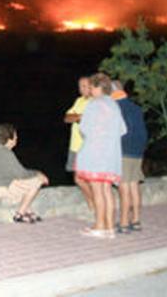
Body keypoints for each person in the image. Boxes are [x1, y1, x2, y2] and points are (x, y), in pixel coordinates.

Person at [76, 73, 126, 239]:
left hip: (96, 154)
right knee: (107, 190)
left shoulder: (93, 104)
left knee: (97, 190)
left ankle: (99, 226)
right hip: (111, 155)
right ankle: (110, 227)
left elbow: (84, 129)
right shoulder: (114, 105)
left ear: (98, 87)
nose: (89, 90)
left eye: (91, 87)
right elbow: (122, 130)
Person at [0, 123, 49, 223]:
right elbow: (22, 174)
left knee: (21, 184)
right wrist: (38, 173)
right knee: (36, 182)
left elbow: (12, 174)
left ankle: (27, 211)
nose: (17, 138)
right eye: (15, 136)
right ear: (9, 138)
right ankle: (19, 214)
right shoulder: (5, 153)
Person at [111, 80, 148, 234]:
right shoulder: (135, 107)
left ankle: (124, 222)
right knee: (134, 185)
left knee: (124, 186)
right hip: (138, 150)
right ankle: (136, 220)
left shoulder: (114, 107)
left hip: (124, 150)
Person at [64, 76, 94, 212]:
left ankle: (94, 203)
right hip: (74, 146)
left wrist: (78, 116)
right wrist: (79, 117)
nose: (81, 89)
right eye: (80, 86)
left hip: (87, 146)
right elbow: (67, 118)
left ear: (91, 86)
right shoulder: (79, 101)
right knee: (79, 178)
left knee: (83, 178)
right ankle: (92, 204)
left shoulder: (95, 102)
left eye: (84, 86)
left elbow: (89, 119)